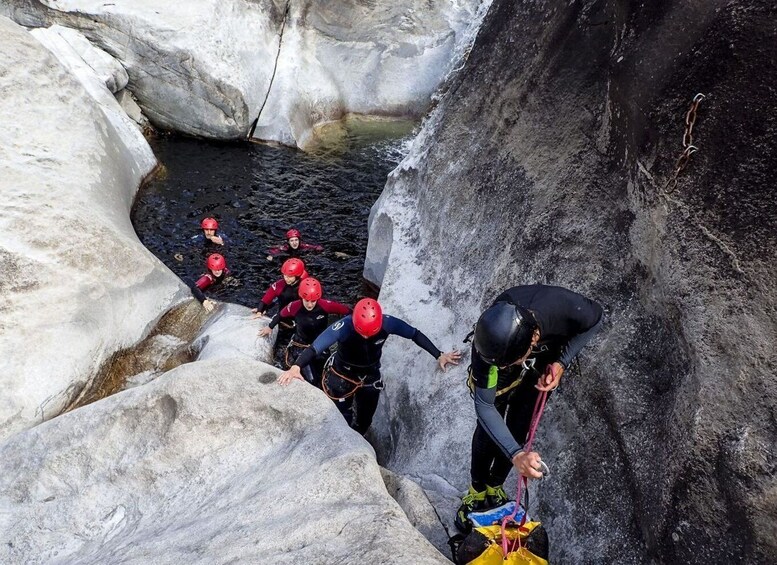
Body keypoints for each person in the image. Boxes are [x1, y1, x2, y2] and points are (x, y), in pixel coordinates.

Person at [455, 284, 604, 532]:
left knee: (520, 423)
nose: (504, 367)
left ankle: (495, 486)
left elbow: (596, 318)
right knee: (489, 427)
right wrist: (517, 454)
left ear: (533, 339)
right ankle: (477, 490)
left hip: (540, 363)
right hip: (511, 360)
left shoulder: (561, 308)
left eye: (508, 363)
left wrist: (561, 362)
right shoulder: (489, 343)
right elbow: (484, 405)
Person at [278, 298, 461, 434]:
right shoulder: (344, 325)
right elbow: (316, 347)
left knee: (365, 420)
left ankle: (358, 439)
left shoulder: (388, 323)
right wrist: (296, 367)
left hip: (369, 376)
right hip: (341, 374)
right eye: (362, 333)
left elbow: (414, 334)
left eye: (369, 333)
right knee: (342, 416)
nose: (365, 337)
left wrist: (439, 354)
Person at [258, 278, 351, 386]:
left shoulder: (326, 305)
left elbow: (347, 311)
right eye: (306, 300)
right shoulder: (294, 306)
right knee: (311, 380)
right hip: (301, 346)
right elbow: (280, 316)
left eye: (313, 301)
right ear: (301, 296)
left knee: (326, 377)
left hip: (320, 345)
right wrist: (270, 327)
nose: (310, 304)